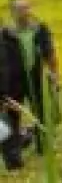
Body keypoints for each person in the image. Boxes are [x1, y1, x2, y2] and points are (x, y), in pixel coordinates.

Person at [9, 0, 60, 157]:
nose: (23, 13)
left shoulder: (39, 30)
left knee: (40, 111)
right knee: (12, 115)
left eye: (25, 9)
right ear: (13, 13)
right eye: (19, 10)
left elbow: (49, 53)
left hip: (36, 75)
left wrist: (54, 74)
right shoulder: (6, 33)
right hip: (14, 79)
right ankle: (14, 153)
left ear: (30, 10)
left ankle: (43, 146)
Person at [0, 25, 23, 171]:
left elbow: (8, 67)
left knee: (10, 124)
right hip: (6, 91)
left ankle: (13, 160)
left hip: (11, 89)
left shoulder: (9, 38)